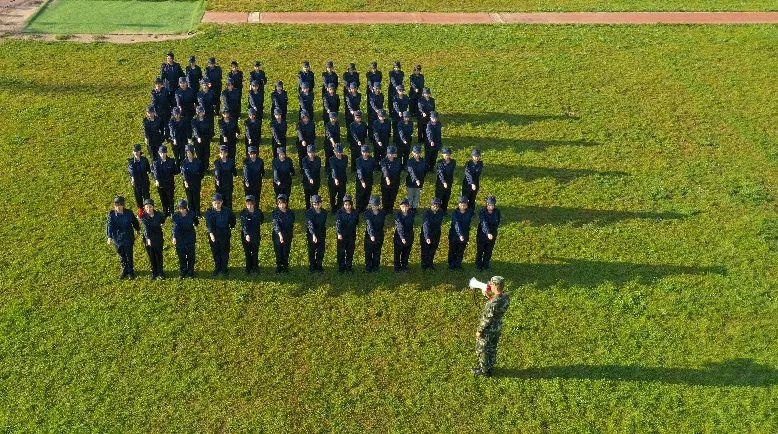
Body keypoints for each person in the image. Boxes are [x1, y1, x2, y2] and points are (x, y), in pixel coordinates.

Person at [474, 276, 510, 377]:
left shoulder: (492, 303)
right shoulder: (506, 296)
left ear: (495, 286)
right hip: (497, 327)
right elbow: (496, 303)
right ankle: (490, 365)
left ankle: (484, 371)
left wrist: (480, 331)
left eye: (491, 284)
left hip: (489, 329)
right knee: (492, 348)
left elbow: (487, 319)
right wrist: (489, 296)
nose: (489, 285)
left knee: (483, 349)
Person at [106, 196, 140, 279]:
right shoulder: (112, 215)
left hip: (128, 237)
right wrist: (109, 237)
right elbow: (110, 226)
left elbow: (134, 222)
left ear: (123, 205)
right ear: (114, 206)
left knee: (129, 254)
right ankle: (125, 270)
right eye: (116, 205)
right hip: (118, 238)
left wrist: (138, 230)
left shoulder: (129, 213)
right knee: (122, 255)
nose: (118, 207)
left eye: (120, 205)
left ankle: (131, 271)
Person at [205, 193, 235, 276]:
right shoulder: (209, 212)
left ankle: (224, 268)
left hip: (225, 234)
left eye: (218, 203)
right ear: (212, 203)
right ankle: (217, 267)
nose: (217, 205)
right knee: (216, 252)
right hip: (214, 236)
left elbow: (233, 221)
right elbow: (209, 224)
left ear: (222, 202)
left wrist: (231, 227)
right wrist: (211, 234)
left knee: (225, 251)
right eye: (215, 203)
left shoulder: (227, 211)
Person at [139, 198, 167, 280]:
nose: (148, 209)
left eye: (150, 207)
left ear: (153, 207)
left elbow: (163, 220)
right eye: (146, 207)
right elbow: (146, 228)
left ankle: (161, 272)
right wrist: (148, 239)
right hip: (148, 239)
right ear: (144, 208)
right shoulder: (143, 217)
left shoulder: (159, 214)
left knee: (159, 255)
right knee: (151, 256)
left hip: (158, 237)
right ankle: (154, 272)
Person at [171, 199, 197, 278]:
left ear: (186, 208)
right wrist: (174, 237)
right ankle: (183, 270)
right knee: (181, 255)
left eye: (183, 208)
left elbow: (196, 222)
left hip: (190, 237)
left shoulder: (192, 214)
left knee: (190, 255)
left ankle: (190, 270)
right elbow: (174, 227)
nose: (181, 210)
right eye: (180, 208)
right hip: (179, 238)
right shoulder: (175, 216)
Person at [240, 195, 264, 275]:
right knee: (247, 252)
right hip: (246, 236)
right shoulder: (243, 213)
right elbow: (244, 225)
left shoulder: (259, 212)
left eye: (251, 204)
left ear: (254, 204)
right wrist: (247, 234)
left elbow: (261, 220)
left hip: (256, 235)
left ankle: (255, 267)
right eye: (248, 204)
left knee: (255, 252)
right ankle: (248, 268)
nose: (249, 206)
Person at [151, 145, 179, 217]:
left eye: (164, 153)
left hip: (170, 184)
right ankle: (165, 211)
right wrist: (157, 180)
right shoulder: (156, 163)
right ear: (159, 153)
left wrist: (177, 167)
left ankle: (172, 211)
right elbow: (155, 173)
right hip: (161, 185)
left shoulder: (171, 161)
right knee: (163, 199)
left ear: (166, 153)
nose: (162, 154)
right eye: (161, 153)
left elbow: (175, 172)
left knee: (170, 198)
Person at [476, 196, 501, 271]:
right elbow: (484, 223)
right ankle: (479, 265)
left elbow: (498, 221)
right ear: (486, 204)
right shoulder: (482, 211)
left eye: (492, 205)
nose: (490, 207)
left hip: (493, 234)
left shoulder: (497, 211)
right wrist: (488, 233)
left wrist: (492, 232)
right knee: (480, 250)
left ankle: (486, 264)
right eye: (489, 205)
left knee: (489, 250)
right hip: (482, 234)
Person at [448, 196, 474, 270]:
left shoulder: (469, 213)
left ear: (467, 205)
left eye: (464, 204)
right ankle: (451, 265)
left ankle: (458, 264)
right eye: (461, 204)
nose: (463, 206)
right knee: (452, 250)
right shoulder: (454, 213)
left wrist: (463, 235)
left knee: (461, 250)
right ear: (459, 204)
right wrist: (460, 235)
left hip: (465, 235)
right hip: (454, 235)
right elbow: (456, 224)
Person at [271, 194, 295, 273]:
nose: (281, 205)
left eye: (283, 203)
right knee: (278, 251)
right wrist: (280, 235)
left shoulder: (290, 212)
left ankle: (285, 266)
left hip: (287, 234)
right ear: (277, 204)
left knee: (286, 250)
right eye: (279, 203)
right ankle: (279, 266)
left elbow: (291, 223)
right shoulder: (275, 213)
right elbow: (276, 225)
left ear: (286, 203)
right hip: (278, 235)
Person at [335, 194, 358, 273]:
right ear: (343, 204)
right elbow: (338, 223)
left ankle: (349, 267)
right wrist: (339, 233)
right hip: (342, 235)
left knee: (350, 251)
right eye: (346, 205)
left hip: (351, 235)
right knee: (341, 251)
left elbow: (356, 222)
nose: (348, 207)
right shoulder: (340, 212)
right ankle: (341, 267)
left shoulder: (355, 212)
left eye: (349, 205)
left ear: (351, 204)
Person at [420, 197, 445, 270]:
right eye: (434, 205)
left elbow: (440, 223)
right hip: (426, 234)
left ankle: (430, 264)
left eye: (437, 206)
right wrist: (427, 237)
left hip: (436, 234)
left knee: (433, 250)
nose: (435, 207)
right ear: (431, 205)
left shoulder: (441, 212)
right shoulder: (426, 213)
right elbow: (426, 225)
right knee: (425, 250)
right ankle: (424, 265)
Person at [304, 194, 327, 273]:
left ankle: (319, 265)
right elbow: (310, 224)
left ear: (321, 203)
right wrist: (313, 235)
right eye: (314, 204)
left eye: (318, 204)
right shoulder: (309, 212)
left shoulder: (324, 212)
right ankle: (312, 266)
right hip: (312, 234)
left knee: (321, 250)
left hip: (321, 233)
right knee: (312, 250)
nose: (316, 206)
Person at [363, 195, 385, 272]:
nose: (374, 207)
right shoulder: (367, 213)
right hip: (369, 236)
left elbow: (381, 225)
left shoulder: (382, 213)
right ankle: (368, 267)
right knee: (368, 252)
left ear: (379, 205)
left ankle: (376, 267)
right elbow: (369, 225)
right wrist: (372, 235)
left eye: (376, 205)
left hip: (379, 235)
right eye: (373, 205)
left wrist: (377, 235)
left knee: (377, 252)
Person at [181, 145, 205, 217]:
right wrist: (185, 181)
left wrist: (197, 179)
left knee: (196, 198)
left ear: (193, 153)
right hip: (187, 184)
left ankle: (197, 211)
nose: (189, 154)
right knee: (189, 198)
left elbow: (202, 172)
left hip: (196, 183)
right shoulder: (183, 162)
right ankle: (191, 211)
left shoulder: (198, 162)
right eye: (187, 153)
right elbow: (183, 173)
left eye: (190, 153)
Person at [393, 198, 415, 272]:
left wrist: (407, 237)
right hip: (399, 237)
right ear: (400, 207)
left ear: (408, 207)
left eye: (406, 206)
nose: (404, 208)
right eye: (402, 206)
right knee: (397, 252)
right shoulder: (397, 215)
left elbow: (410, 226)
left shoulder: (411, 214)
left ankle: (404, 265)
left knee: (406, 252)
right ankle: (397, 267)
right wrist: (402, 237)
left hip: (409, 236)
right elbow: (400, 226)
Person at [128, 144, 151, 209]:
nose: (136, 153)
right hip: (136, 183)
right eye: (135, 151)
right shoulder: (131, 162)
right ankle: (141, 210)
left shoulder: (145, 160)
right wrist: (132, 178)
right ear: (133, 152)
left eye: (138, 151)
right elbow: (131, 171)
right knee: (138, 198)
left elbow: (148, 169)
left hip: (145, 181)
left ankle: (148, 209)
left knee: (147, 196)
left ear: (140, 151)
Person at [213, 144, 237, 210]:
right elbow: (216, 172)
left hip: (228, 183)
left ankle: (229, 211)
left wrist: (235, 173)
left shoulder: (231, 161)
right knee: (220, 198)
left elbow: (234, 172)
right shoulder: (217, 162)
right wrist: (217, 179)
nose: (223, 155)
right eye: (221, 153)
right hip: (220, 183)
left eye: (224, 153)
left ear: (227, 153)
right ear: (219, 154)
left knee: (228, 198)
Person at [354, 145, 376, 213]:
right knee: (360, 194)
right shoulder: (358, 160)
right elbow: (359, 171)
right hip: (361, 181)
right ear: (361, 152)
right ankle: (358, 208)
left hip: (369, 179)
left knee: (367, 194)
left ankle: (364, 207)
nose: (365, 153)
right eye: (363, 152)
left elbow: (374, 168)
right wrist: (362, 181)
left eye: (366, 152)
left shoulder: (372, 160)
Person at [379, 146, 402, 212]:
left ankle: (390, 208)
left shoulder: (398, 160)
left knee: (393, 195)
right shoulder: (383, 161)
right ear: (387, 153)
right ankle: (385, 208)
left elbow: (399, 170)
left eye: (393, 154)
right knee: (385, 195)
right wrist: (387, 178)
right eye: (390, 154)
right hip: (386, 181)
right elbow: (384, 169)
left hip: (395, 181)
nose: (391, 155)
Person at [191, 105, 214, 171]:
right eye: (200, 112)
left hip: (206, 139)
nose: (201, 113)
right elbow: (195, 129)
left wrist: (209, 136)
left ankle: (206, 168)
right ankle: (200, 168)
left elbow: (210, 128)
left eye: (202, 111)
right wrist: (198, 137)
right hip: (198, 141)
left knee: (206, 155)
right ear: (197, 113)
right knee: (199, 155)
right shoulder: (194, 120)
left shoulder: (207, 119)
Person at [405, 145, 427, 212]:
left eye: (419, 153)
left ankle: (414, 208)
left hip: (420, 182)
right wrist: (416, 179)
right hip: (411, 182)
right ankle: (409, 207)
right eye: (416, 153)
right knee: (410, 196)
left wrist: (421, 180)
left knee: (417, 196)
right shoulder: (410, 161)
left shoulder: (423, 160)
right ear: (412, 153)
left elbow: (425, 170)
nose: (417, 154)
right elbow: (411, 171)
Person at [435, 147, 456, 212]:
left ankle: (444, 210)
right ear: (443, 155)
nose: (447, 156)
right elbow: (440, 173)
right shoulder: (440, 162)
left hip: (449, 182)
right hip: (441, 183)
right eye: (446, 154)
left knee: (446, 197)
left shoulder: (453, 162)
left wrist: (448, 182)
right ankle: (437, 210)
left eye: (448, 154)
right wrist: (444, 182)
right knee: (439, 197)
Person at [328, 144, 348, 211]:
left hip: (342, 178)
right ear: (334, 151)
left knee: (341, 194)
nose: (339, 153)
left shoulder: (345, 157)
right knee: (333, 194)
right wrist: (336, 178)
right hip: (333, 179)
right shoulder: (331, 159)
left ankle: (339, 207)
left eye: (340, 152)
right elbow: (334, 169)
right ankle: (333, 208)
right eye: (337, 152)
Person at [301, 144, 322, 209]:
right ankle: (308, 208)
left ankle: (314, 208)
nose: (311, 154)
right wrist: (310, 178)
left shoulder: (318, 159)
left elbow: (317, 168)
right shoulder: (304, 160)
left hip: (316, 180)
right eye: (310, 152)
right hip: (306, 180)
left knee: (314, 195)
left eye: (313, 152)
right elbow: (306, 169)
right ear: (307, 152)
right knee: (307, 196)